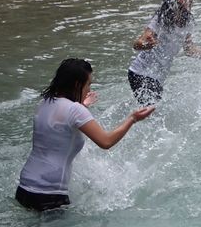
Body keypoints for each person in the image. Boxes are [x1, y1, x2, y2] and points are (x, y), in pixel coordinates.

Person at [16, 58, 155, 211]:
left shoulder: (44, 103)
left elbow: (62, 121)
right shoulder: (75, 110)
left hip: (24, 188)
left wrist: (82, 105)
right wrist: (133, 118)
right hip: (49, 195)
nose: (89, 89)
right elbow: (106, 142)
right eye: (88, 84)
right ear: (77, 85)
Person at [128, 0, 201, 104]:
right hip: (140, 73)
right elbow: (137, 44)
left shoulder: (187, 22)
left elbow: (189, 50)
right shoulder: (161, 18)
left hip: (157, 78)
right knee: (152, 112)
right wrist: (146, 44)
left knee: (153, 113)